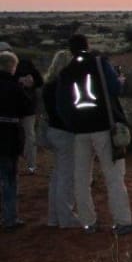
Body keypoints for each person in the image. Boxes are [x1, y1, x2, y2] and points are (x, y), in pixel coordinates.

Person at [55, 34, 132, 235]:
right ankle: (122, 221)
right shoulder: (100, 63)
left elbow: (62, 105)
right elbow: (114, 89)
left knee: (82, 178)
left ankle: (88, 222)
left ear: (70, 50)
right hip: (104, 127)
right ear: (88, 45)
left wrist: (73, 124)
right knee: (114, 176)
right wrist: (120, 80)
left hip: (79, 132)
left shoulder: (66, 71)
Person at [42, 50, 80, 228]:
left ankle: (54, 217)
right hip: (65, 133)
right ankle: (66, 218)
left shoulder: (48, 84)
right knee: (66, 176)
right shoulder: (64, 85)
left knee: (58, 175)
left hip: (52, 131)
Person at [0, 50, 31, 232]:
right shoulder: (14, 86)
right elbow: (27, 108)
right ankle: (10, 218)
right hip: (8, 136)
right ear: (12, 67)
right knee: (9, 178)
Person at [13, 53, 43, 175]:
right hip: (27, 109)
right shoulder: (29, 68)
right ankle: (31, 165)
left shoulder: (19, 68)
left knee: (20, 136)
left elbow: (39, 82)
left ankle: (23, 165)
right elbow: (40, 83)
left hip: (16, 109)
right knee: (30, 136)